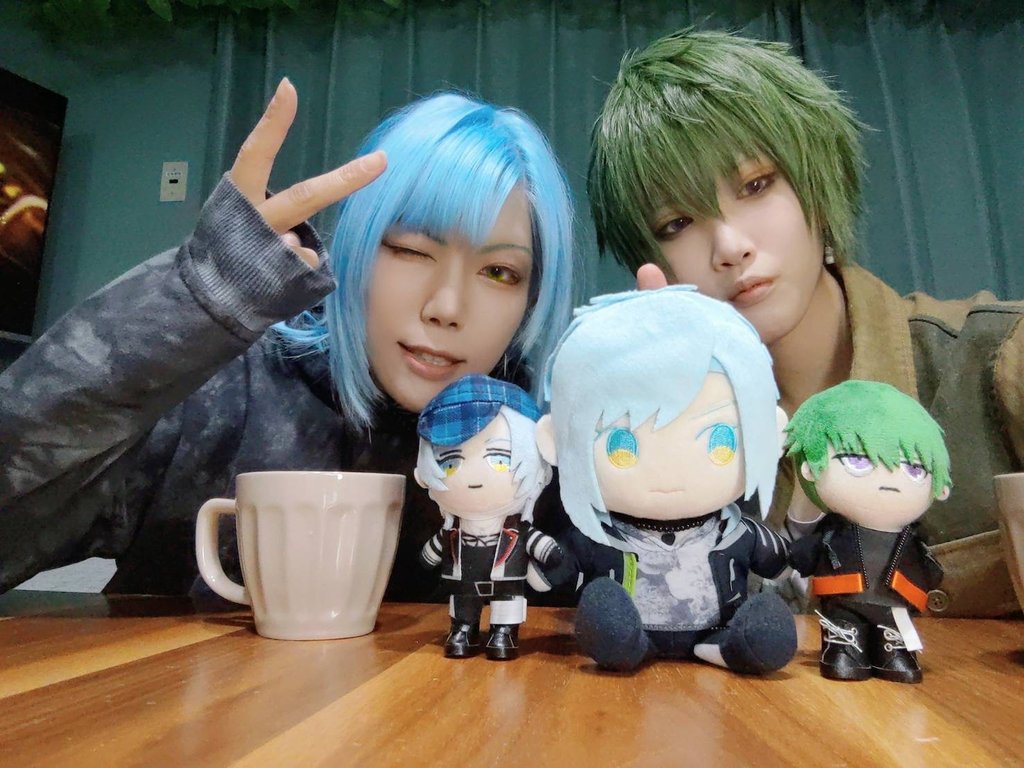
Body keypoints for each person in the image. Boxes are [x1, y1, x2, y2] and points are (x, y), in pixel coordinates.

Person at [0, 81, 575, 602]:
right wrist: (196, 298)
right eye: (409, 249)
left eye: (499, 272)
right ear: (355, 245)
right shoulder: (225, 392)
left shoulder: (543, 450)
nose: (447, 308)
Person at [586, 28, 1023, 617]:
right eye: (677, 223)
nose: (730, 247)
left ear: (817, 185)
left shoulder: (996, 360)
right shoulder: (678, 437)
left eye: (756, 185)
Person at [534, 287, 796, 674]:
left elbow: (784, 566)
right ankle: (624, 644)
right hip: (632, 639)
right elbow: (552, 572)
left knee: (767, 629)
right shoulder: (599, 535)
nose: (671, 471)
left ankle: (736, 647)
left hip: (717, 634)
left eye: (720, 441)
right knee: (605, 614)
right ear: (556, 444)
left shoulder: (736, 532)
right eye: (621, 446)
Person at [786, 380, 950, 683]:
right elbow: (805, 553)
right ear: (810, 468)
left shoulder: (914, 538)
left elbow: (929, 568)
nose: (889, 479)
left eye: (914, 469)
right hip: (842, 602)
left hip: (896, 605)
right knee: (844, 644)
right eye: (858, 461)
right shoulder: (834, 531)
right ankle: (844, 650)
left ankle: (893, 652)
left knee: (895, 648)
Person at [415, 374, 561, 660]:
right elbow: (430, 554)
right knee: (464, 603)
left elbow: (541, 546)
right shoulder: (452, 529)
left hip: (507, 581)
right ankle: (463, 629)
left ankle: (504, 632)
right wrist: (428, 556)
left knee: (508, 602)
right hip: (464, 581)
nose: (474, 478)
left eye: (500, 459)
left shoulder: (517, 529)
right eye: (450, 463)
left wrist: (550, 554)